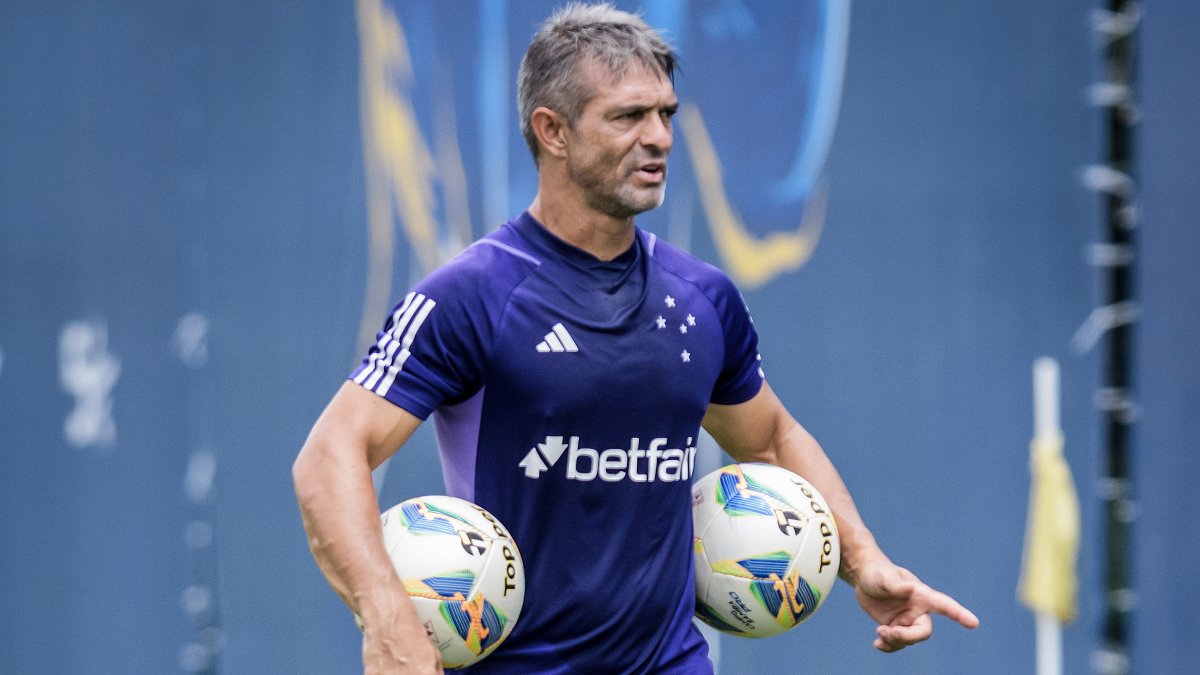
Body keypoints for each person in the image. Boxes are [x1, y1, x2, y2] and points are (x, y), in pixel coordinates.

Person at [293, 3, 979, 673]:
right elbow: (329, 457)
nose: (659, 137)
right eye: (628, 116)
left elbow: (770, 439)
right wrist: (388, 623)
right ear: (552, 130)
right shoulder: (473, 295)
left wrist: (866, 562)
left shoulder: (701, 296)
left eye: (666, 114)